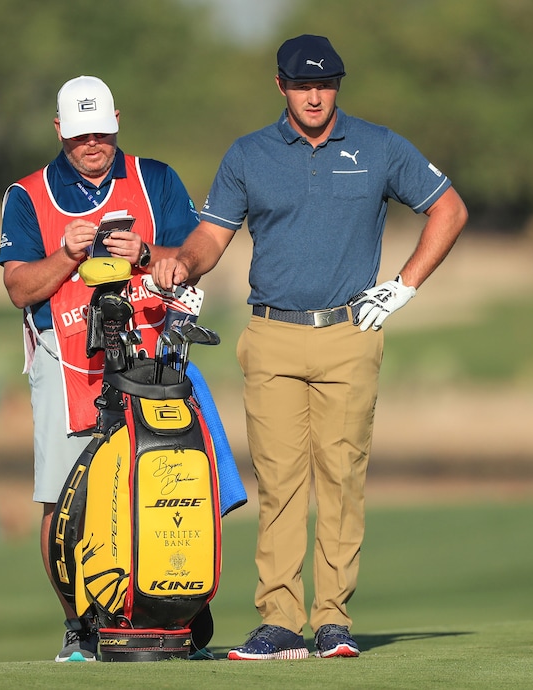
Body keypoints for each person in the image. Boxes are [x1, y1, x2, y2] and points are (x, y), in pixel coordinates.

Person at [150, 35, 468, 660]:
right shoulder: (249, 155)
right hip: (271, 335)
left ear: (338, 86)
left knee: (342, 478)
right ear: (281, 86)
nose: (315, 95)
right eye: (302, 84)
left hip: (351, 334)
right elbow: (210, 240)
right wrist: (181, 264)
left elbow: (449, 210)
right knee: (280, 480)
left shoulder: (378, 146)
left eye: (325, 84)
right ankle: (279, 619)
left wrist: (402, 289)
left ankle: (333, 620)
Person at [0, 75, 202, 662]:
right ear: (59, 129)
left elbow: (194, 258)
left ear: (117, 120)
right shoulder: (28, 194)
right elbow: (18, 288)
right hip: (66, 366)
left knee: (160, 486)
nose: (93, 144)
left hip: (152, 361)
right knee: (63, 500)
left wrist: (144, 254)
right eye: (81, 133)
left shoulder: (154, 178)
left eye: (102, 132)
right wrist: (67, 254)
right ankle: (79, 628)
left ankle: (166, 620)